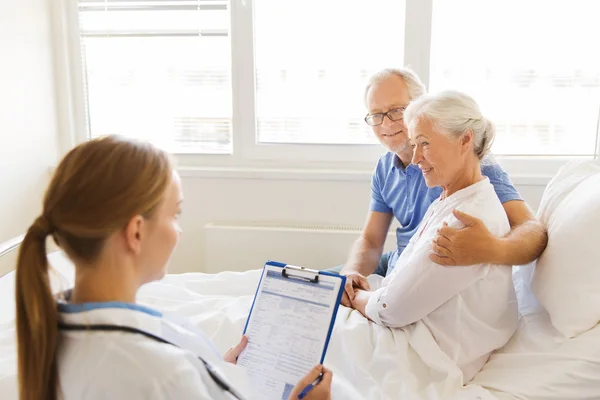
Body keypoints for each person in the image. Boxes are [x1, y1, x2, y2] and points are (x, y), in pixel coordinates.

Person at [15, 136, 332, 400]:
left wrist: (211, 373)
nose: (179, 231)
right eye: (175, 214)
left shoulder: (52, 331)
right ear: (136, 232)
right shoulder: (160, 374)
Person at [339, 68, 548, 306]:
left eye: (397, 111)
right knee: (317, 288)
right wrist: (350, 273)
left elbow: (531, 228)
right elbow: (371, 241)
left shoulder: (469, 161)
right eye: (376, 114)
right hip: (395, 264)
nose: (386, 123)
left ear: (419, 109)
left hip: (421, 274)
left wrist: (493, 248)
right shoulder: (385, 166)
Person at [350, 90, 519, 381]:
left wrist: (355, 298)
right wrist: (355, 280)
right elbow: (382, 255)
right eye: (414, 145)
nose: (415, 158)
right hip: (406, 329)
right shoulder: (450, 197)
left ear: (465, 140)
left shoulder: (466, 220)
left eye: (424, 144)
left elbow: (392, 310)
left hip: (422, 359)